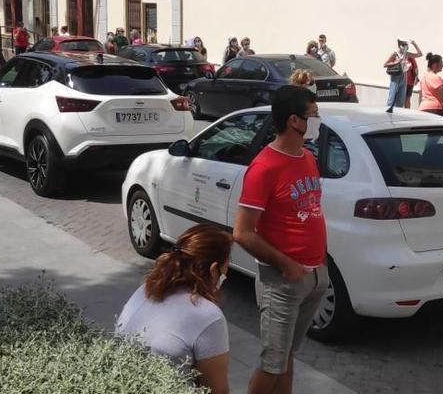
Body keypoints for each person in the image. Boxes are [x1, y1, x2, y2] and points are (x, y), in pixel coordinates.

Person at [232, 85, 328, 394]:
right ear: (294, 121)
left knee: (286, 358)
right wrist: (286, 264)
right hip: (282, 282)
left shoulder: (306, 158)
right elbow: (242, 232)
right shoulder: (264, 168)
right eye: (313, 115)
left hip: (315, 276)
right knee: (272, 365)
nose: (318, 121)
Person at [116, 224, 232, 394]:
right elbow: (217, 391)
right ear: (214, 270)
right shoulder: (208, 317)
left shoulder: (145, 290)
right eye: (226, 265)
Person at [383, 39, 422, 109]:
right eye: (403, 45)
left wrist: (415, 44)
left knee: (401, 98)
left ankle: (398, 113)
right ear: (399, 46)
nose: (405, 47)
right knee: (392, 97)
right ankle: (388, 112)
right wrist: (396, 62)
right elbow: (385, 64)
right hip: (395, 76)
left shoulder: (407, 54)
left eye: (406, 45)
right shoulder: (395, 54)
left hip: (404, 76)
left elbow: (420, 54)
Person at [418, 53, 443, 117]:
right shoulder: (435, 77)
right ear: (435, 65)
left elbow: (421, 94)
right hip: (435, 109)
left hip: (423, 108)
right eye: (441, 63)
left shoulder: (424, 77)